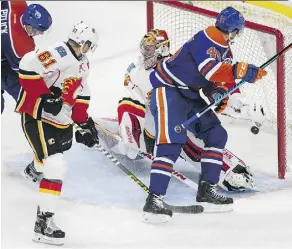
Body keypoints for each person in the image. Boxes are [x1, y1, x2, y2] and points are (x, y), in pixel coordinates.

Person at [143, 7, 267, 222]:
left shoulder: (225, 50)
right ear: (235, 30)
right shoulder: (207, 37)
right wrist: (243, 71)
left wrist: (219, 94)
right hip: (169, 90)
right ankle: (153, 201)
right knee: (171, 144)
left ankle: (206, 191)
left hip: (189, 95)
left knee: (216, 134)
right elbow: (210, 70)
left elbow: (217, 81)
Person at [115, 29, 254, 193]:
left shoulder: (177, 67)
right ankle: (224, 173)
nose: (145, 53)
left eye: (150, 49)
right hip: (154, 127)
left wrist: (222, 96)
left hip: (177, 120)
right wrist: (131, 129)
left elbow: (204, 84)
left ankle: (229, 170)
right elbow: (130, 99)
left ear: (162, 49)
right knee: (183, 140)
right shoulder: (135, 71)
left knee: (197, 141)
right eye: (144, 48)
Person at [16, 21, 99, 245]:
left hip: (61, 119)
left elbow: (81, 92)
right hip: (37, 115)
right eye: (88, 45)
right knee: (56, 164)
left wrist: (83, 122)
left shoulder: (83, 62)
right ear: (86, 43)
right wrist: (44, 95)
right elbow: (26, 66)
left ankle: (34, 169)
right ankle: (42, 225)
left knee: (51, 158)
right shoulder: (59, 53)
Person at [1, 1, 52, 114]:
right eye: (38, 31)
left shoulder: (17, 3)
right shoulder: (20, 47)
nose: (40, 34)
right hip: (4, 62)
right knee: (24, 93)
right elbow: (26, 72)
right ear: (28, 27)